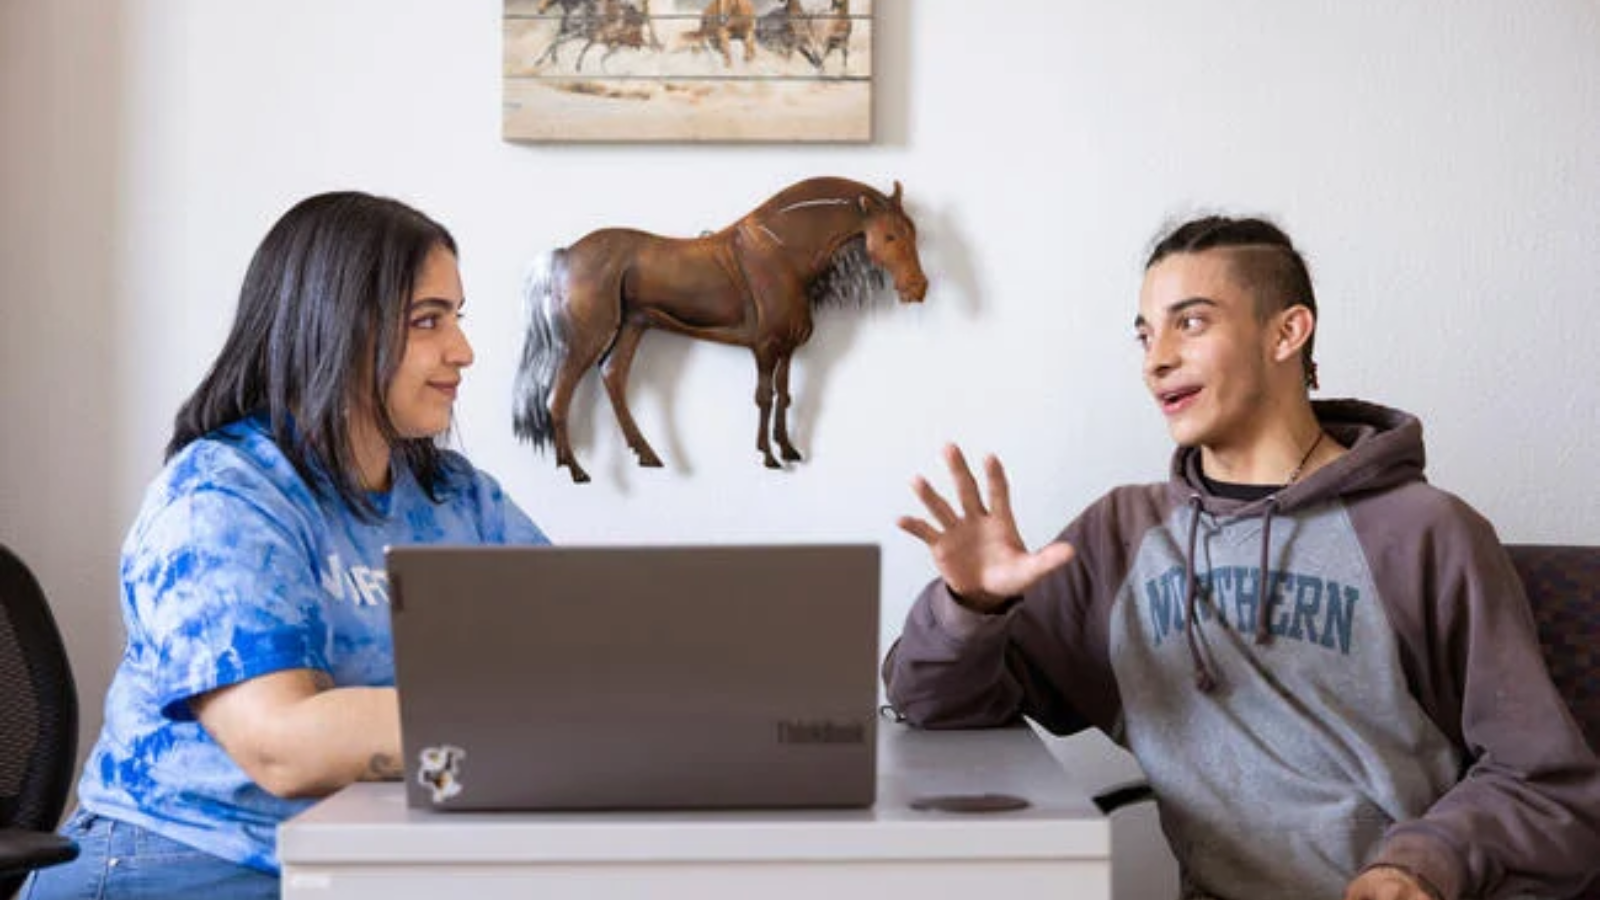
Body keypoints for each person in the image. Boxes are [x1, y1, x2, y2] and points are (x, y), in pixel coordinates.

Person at [882, 215, 1600, 900]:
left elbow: (1547, 782)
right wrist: (972, 608)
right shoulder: (1121, 536)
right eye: (1145, 334)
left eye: (1190, 323)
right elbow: (931, 704)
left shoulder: (1425, 532)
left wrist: (1421, 869)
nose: (1157, 359)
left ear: (1287, 332)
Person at [25, 192, 550, 900]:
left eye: (457, 317)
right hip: (184, 861)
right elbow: (284, 745)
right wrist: (524, 724)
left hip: (359, 857)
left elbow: (580, 654)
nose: (463, 351)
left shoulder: (458, 499)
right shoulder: (220, 497)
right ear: (337, 325)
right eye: (428, 320)